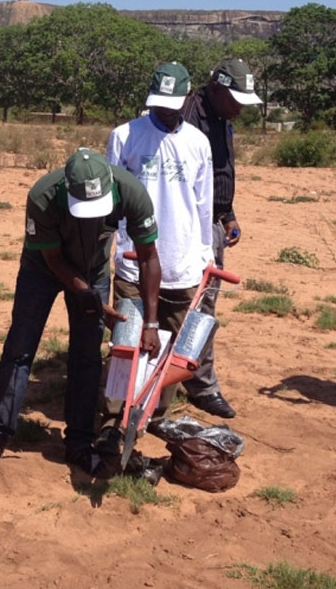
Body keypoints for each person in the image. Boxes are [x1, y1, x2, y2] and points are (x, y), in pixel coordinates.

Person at [0, 148, 161, 477]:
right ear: (67, 189)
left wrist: (151, 323)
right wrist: (84, 293)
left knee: (87, 356)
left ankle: (79, 444)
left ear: (110, 186)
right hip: (41, 270)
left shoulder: (132, 192)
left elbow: (148, 258)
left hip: (95, 271)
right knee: (20, 349)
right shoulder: (43, 195)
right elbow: (53, 259)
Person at [97, 62, 216, 454]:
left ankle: (155, 413)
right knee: (127, 344)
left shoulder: (199, 142)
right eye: (158, 104)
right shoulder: (125, 136)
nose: (165, 111)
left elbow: (203, 204)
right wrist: (112, 247)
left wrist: (204, 257)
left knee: (172, 347)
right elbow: (109, 201)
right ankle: (115, 418)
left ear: (187, 99)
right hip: (135, 259)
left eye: (173, 104)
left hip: (182, 262)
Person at [181, 57, 264, 419]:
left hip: (212, 223)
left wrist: (227, 213)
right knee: (175, 302)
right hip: (183, 227)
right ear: (215, 88)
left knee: (204, 307)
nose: (240, 109)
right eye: (235, 99)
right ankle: (154, 378)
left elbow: (221, 170)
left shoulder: (222, 118)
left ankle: (199, 383)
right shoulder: (184, 116)